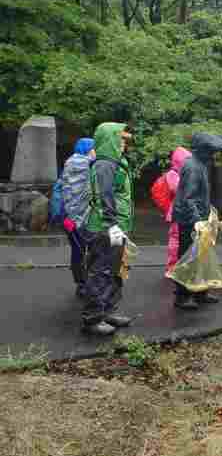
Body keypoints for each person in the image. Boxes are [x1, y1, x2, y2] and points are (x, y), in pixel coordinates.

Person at [82, 123, 134, 335]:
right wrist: (111, 223)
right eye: (120, 139)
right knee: (100, 271)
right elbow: (104, 196)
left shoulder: (116, 162)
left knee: (115, 270)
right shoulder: (104, 165)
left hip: (116, 225)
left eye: (125, 140)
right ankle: (93, 318)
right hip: (105, 226)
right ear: (109, 140)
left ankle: (108, 311)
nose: (124, 143)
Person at [171, 132, 222, 310]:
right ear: (203, 150)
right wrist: (197, 221)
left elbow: (200, 195)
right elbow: (188, 198)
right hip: (190, 220)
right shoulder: (193, 166)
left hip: (199, 217)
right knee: (188, 257)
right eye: (211, 151)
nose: (213, 155)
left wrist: (208, 214)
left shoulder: (200, 164)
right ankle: (182, 296)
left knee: (201, 258)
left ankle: (200, 292)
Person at [61, 137, 96, 298]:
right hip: (80, 215)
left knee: (78, 250)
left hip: (68, 215)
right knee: (83, 250)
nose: (95, 152)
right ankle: (83, 284)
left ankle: (81, 283)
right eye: (94, 148)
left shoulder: (69, 162)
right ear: (88, 149)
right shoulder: (86, 164)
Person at [163, 147, 191, 276]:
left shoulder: (180, 174)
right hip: (177, 212)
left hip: (185, 212)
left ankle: (182, 266)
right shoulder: (172, 174)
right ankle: (172, 267)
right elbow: (178, 189)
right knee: (175, 240)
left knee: (184, 240)